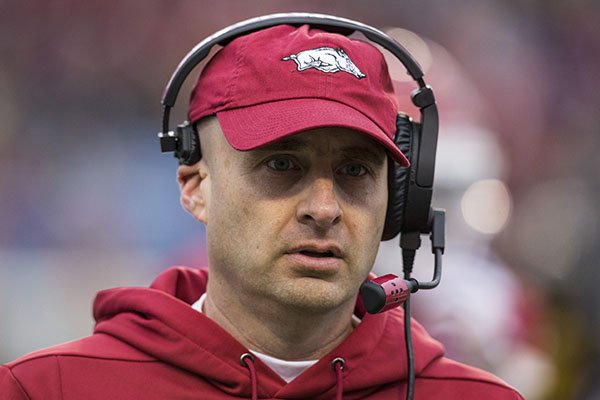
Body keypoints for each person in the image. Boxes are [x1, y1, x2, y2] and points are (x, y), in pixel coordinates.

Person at [0, 22, 523, 399]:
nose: (323, 208)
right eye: (281, 165)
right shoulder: (47, 389)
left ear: (401, 202)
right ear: (194, 187)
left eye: (356, 171)